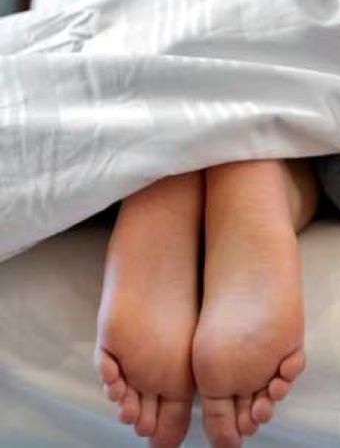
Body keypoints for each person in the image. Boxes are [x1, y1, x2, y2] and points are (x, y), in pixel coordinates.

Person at [94, 159, 317, 448]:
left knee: (110, 144)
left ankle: (167, 177)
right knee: (337, 157)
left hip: (129, 146)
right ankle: (256, 175)